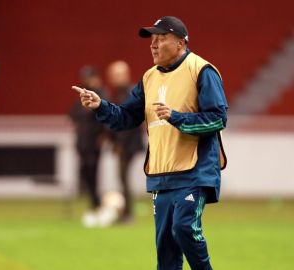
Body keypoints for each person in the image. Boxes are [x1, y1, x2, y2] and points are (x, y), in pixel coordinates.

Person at [73, 16, 227, 270]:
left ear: (180, 43)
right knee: (165, 248)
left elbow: (217, 119)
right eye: (152, 40)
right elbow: (126, 118)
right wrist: (101, 106)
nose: (153, 45)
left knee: (184, 228)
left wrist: (176, 117)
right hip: (160, 174)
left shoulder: (201, 70)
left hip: (195, 171)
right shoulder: (148, 78)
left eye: (161, 39)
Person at [69, 66, 110, 226]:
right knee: (85, 173)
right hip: (83, 142)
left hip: (93, 142)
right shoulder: (84, 96)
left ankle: (97, 204)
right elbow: (73, 113)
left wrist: (104, 135)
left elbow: (105, 117)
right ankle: (95, 202)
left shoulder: (102, 94)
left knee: (92, 173)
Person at [106, 61, 144, 224]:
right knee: (122, 178)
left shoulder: (129, 93)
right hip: (126, 144)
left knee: (123, 177)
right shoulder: (123, 92)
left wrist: (120, 143)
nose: (112, 78)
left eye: (115, 75)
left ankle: (128, 214)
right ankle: (127, 213)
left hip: (129, 145)